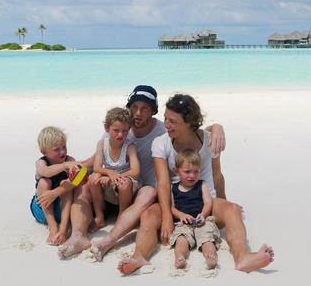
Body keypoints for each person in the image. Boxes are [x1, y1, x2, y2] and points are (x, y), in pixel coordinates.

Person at [58, 85, 226, 260]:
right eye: (134, 107)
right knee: (85, 185)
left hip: (139, 193)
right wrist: (70, 173)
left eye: (145, 109)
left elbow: (191, 130)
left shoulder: (165, 131)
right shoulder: (120, 127)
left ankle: (109, 241)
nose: (138, 113)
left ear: (153, 111)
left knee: (149, 191)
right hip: (109, 189)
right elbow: (96, 160)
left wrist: (217, 127)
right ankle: (78, 236)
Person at [117, 93, 274, 276]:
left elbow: (217, 176)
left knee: (232, 210)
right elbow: (164, 183)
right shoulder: (161, 143)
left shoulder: (209, 140)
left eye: (173, 121)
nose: (166, 125)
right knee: (149, 214)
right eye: (166, 119)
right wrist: (167, 218)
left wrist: (224, 205)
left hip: (205, 200)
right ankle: (139, 256)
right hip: (175, 202)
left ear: (189, 122)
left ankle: (242, 257)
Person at [89, 107, 140, 230]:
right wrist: (108, 174)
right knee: (93, 178)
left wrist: (114, 177)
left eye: (124, 131)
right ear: (107, 128)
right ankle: (100, 216)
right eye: (116, 130)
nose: (120, 134)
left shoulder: (130, 147)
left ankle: (121, 217)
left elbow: (136, 171)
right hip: (110, 179)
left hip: (126, 181)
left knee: (124, 184)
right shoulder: (102, 144)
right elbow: (96, 167)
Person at [170, 148, 220, 270]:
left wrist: (203, 214)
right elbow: (170, 207)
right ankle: (180, 257)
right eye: (187, 172)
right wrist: (181, 215)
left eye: (196, 172)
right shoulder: (173, 188)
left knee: (207, 238)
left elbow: (208, 202)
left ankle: (210, 256)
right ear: (176, 171)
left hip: (201, 220)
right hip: (183, 222)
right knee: (181, 239)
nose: (192, 175)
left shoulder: (202, 184)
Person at [30, 126, 82, 246]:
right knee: (44, 182)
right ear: (44, 151)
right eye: (56, 149)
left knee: (67, 183)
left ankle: (63, 229)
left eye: (64, 147)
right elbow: (45, 172)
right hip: (42, 209)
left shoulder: (70, 160)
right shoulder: (41, 162)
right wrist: (64, 166)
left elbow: (79, 179)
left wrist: (72, 169)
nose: (62, 152)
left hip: (63, 210)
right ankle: (53, 228)